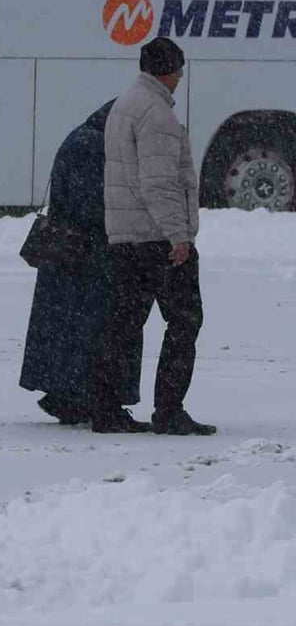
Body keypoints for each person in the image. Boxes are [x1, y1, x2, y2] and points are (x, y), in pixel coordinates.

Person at [88, 37, 215, 435]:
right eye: (179, 70)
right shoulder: (156, 113)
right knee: (184, 321)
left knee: (123, 324)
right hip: (157, 239)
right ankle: (169, 410)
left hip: (127, 237)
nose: (180, 77)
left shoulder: (124, 104)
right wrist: (178, 235)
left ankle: (105, 408)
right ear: (168, 70)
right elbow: (158, 183)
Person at [20, 100, 142, 425]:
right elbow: (94, 205)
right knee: (86, 328)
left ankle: (67, 395)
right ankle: (73, 396)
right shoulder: (93, 146)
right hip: (82, 255)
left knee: (67, 329)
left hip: (70, 255)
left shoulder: (83, 138)